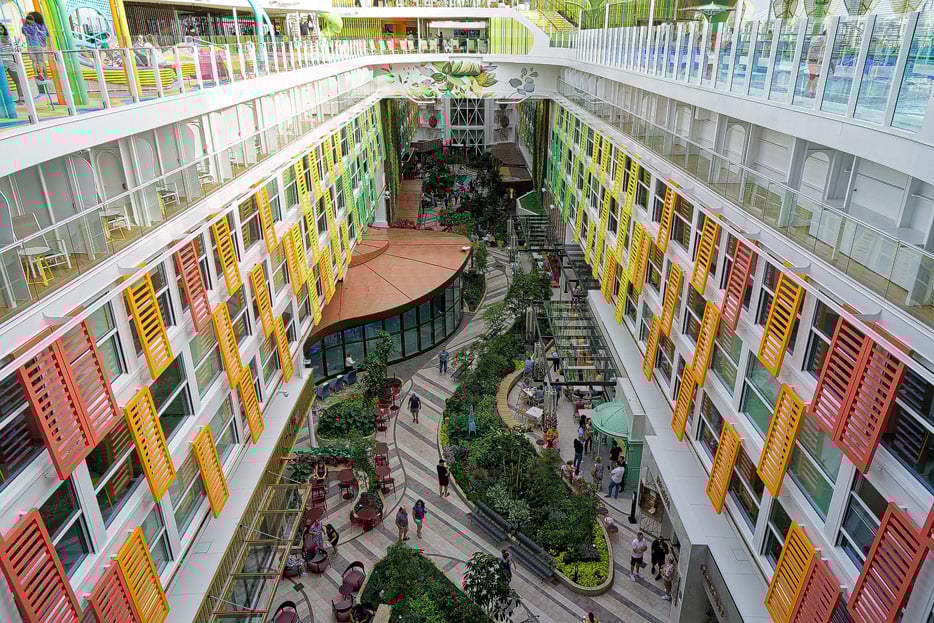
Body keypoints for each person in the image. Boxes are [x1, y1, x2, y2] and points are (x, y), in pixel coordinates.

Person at [0, 24, 24, 104]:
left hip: (10, 62)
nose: (0, 31)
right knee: (4, 83)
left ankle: (21, 98)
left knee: (17, 81)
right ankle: (7, 100)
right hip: (2, 63)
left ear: (4, 30)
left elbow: (18, 48)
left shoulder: (10, 39)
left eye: (1, 29)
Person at [21, 12, 48, 83]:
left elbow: (26, 32)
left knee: (36, 61)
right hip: (39, 45)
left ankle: (39, 74)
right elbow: (47, 34)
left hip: (35, 45)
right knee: (41, 61)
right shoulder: (41, 26)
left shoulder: (32, 26)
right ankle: (44, 75)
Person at [806, 29, 827, 97]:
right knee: (816, 76)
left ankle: (809, 91)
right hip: (818, 59)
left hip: (811, 58)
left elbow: (810, 48)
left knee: (812, 76)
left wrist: (807, 58)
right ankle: (812, 91)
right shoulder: (825, 39)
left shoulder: (815, 38)